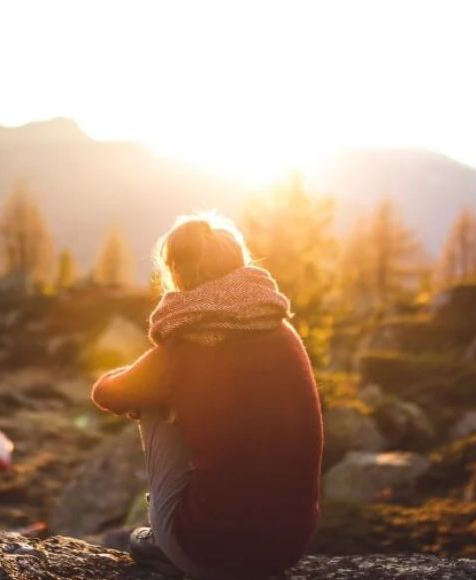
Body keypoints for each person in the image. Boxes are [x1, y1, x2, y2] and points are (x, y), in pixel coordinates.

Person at [91, 213, 324, 579]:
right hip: (286, 548)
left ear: (177, 272)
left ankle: (165, 531)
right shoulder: (282, 329)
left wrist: (153, 378)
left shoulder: (186, 344)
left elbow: (107, 393)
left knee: (150, 399)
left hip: (208, 555)